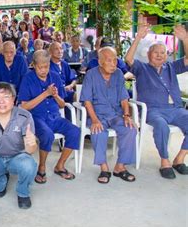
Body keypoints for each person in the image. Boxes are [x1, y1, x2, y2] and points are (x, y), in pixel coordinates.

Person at [125, 23, 188, 179]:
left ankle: (179, 159)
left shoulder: (172, 67)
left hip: (176, 109)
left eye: (163, 52)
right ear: (148, 55)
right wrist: (138, 37)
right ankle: (164, 161)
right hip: (153, 110)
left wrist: (185, 39)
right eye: (156, 52)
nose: (160, 55)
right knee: (161, 126)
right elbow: (128, 58)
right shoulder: (141, 68)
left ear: (166, 55)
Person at [18, 51, 80, 183]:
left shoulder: (55, 76)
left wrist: (56, 95)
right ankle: (41, 167)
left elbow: (62, 105)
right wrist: (46, 94)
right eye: (40, 67)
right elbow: (23, 107)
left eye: (46, 66)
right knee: (47, 135)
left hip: (54, 117)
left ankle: (60, 165)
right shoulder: (27, 79)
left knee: (75, 131)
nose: (44, 70)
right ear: (33, 65)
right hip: (36, 118)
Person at [80, 46, 138, 183]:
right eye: (109, 61)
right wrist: (94, 120)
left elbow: (124, 98)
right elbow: (87, 100)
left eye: (115, 60)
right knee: (99, 131)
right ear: (100, 62)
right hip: (97, 115)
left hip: (115, 114)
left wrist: (127, 115)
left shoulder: (118, 74)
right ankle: (104, 168)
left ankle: (120, 167)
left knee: (131, 129)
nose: (113, 64)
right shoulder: (91, 75)